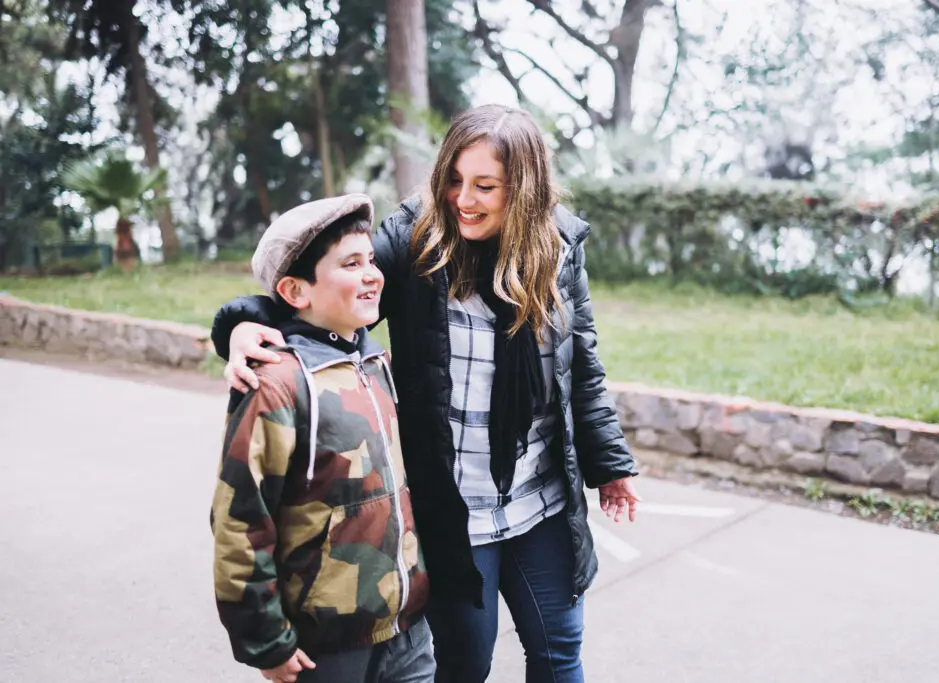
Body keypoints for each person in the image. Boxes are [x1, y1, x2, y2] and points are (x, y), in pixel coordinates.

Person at [211, 104, 641, 683]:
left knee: (559, 651)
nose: (463, 198)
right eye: (454, 180)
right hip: (457, 510)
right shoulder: (418, 239)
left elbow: (580, 360)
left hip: (540, 496)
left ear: (527, 187)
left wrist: (610, 462)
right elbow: (323, 295)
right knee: (467, 661)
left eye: (485, 186)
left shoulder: (559, 249)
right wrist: (240, 322)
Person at [210, 195, 434, 683]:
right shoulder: (276, 384)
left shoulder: (378, 365)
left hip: (407, 634)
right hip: (325, 648)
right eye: (351, 264)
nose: (372, 274)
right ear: (294, 290)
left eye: (370, 260)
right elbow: (240, 522)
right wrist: (266, 643)